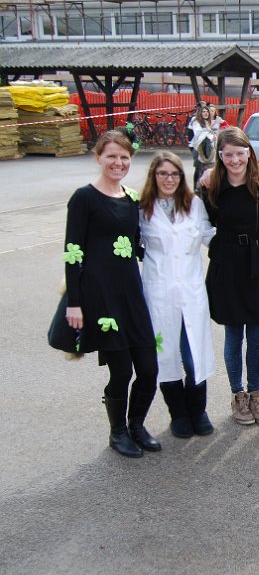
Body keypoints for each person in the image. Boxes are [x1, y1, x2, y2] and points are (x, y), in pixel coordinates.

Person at [63, 130, 159, 458]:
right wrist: (74, 302)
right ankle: (117, 432)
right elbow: (72, 252)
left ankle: (136, 425)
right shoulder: (84, 198)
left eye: (124, 157)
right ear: (98, 157)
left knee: (149, 369)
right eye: (112, 156)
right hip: (101, 297)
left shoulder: (132, 199)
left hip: (132, 295)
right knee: (121, 370)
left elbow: (139, 245)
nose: (118, 163)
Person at [202, 127, 259, 427]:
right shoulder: (211, 185)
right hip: (228, 265)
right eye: (228, 155)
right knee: (233, 335)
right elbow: (201, 223)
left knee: (256, 335)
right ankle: (238, 395)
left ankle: (255, 393)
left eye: (240, 154)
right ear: (220, 156)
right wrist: (216, 246)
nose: (235, 160)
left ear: (249, 153)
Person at [139, 152, 217, 439]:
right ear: (153, 176)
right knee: (166, 356)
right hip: (159, 295)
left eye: (174, 174)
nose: (169, 179)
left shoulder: (194, 205)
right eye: (163, 173)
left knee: (194, 356)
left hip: (191, 294)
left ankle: (198, 411)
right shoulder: (142, 209)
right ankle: (179, 414)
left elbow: (209, 235)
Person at [187, 104, 218, 187]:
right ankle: (196, 187)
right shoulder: (196, 122)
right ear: (200, 113)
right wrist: (211, 135)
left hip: (209, 148)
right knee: (199, 169)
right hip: (198, 148)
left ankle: (205, 187)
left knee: (208, 169)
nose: (206, 113)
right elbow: (199, 134)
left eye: (207, 111)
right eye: (203, 112)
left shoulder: (209, 122)